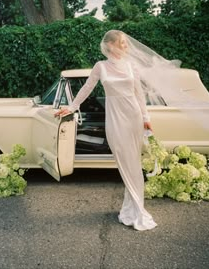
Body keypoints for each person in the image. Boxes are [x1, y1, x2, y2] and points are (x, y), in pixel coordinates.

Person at [55, 30, 157, 231]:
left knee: (134, 164)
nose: (126, 46)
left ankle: (137, 208)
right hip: (115, 118)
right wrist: (72, 107)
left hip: (133, 117)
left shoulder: (131, 66)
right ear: (110, 45)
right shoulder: (100, 67)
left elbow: (138, 94)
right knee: (124, 163)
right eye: (122, 43)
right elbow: (86, 89)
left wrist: (146, 118)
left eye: (126, 43)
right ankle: (132, 206)